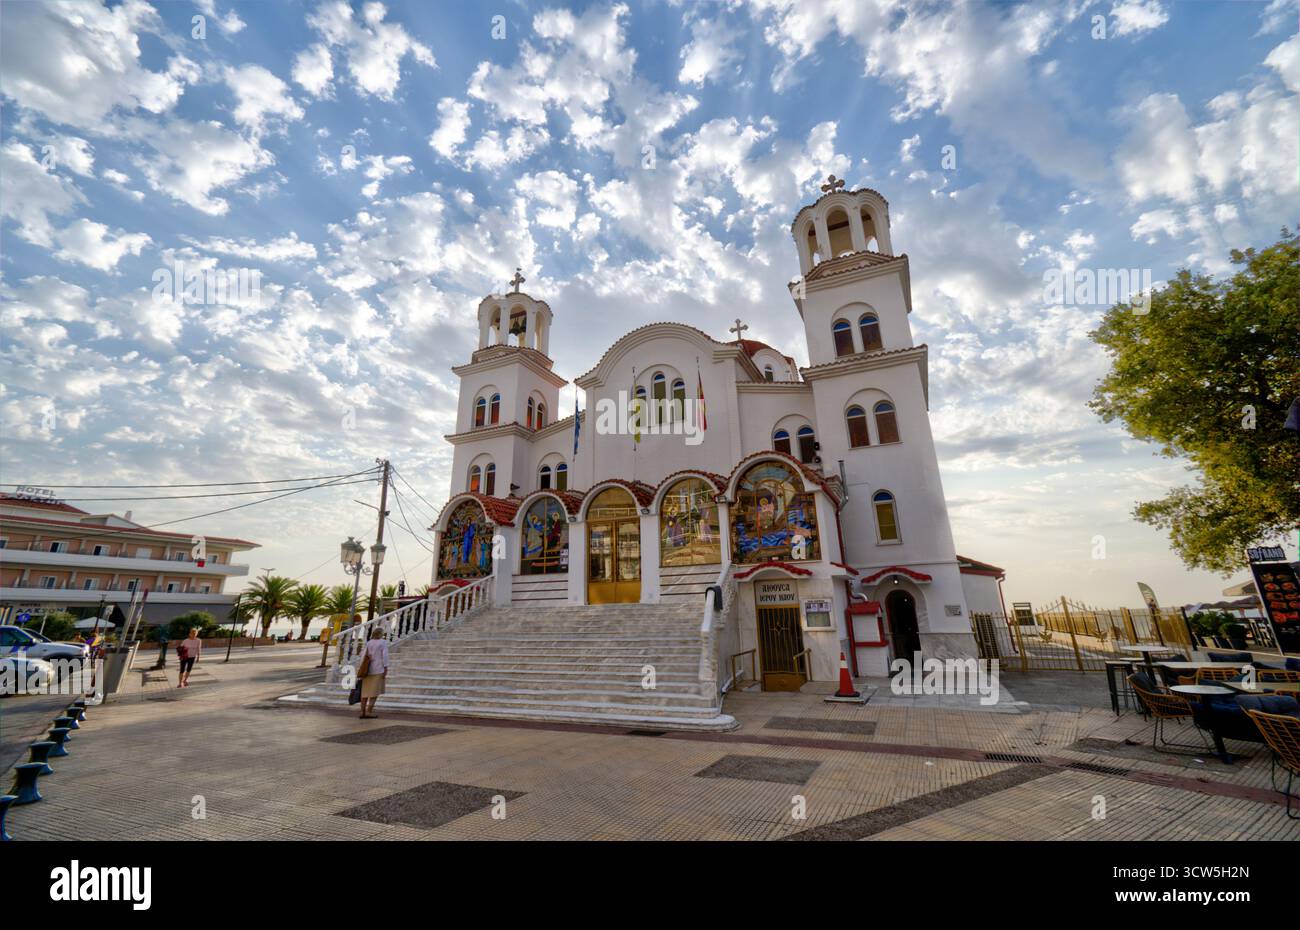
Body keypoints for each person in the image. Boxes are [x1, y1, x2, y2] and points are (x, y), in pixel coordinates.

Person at [358, 628, 389, 719]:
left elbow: (362, 655)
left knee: (365, 692)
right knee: (374, 693)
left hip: (367, 670)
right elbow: (385, 655)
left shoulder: (369, 642)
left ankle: (362, 712)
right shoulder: (382, 642)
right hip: (378, 669)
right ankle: (369, 711)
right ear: (381, 634)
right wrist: (386, 667)